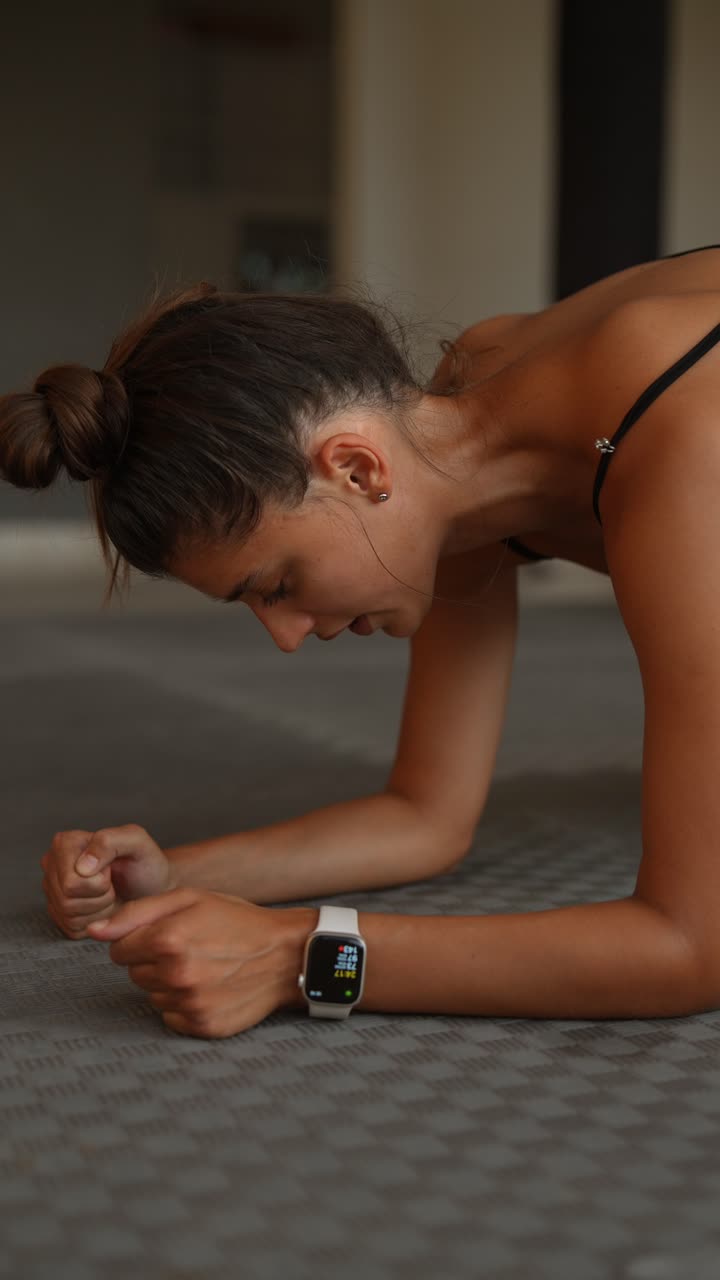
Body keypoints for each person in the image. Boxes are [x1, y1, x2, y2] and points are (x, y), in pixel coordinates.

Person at [2, 245, 720, 1037]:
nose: (284, 637)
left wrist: (298, 955)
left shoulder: (684, 424)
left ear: (354, 467)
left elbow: (693, 946)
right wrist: (173, 875)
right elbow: (425, 816)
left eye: (276, 586)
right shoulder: (464, 412)